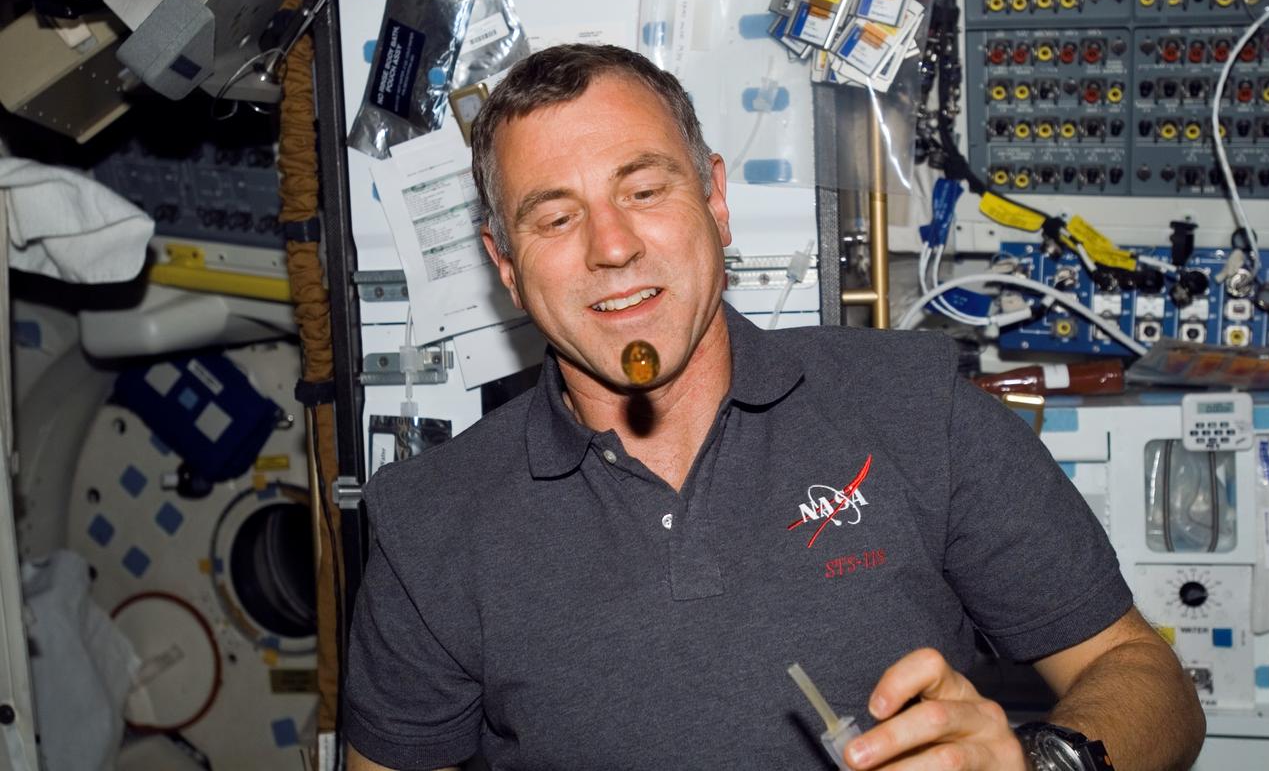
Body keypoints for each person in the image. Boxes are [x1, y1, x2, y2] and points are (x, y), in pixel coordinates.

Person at [345, 44, 1204, 770]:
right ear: (504, 263)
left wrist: (1037, 762)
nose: (612, 247)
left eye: (644, 191)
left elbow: (1144, 674)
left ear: (715, 199)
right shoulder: (432, 521)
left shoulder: (914, 408)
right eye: (556, 218)